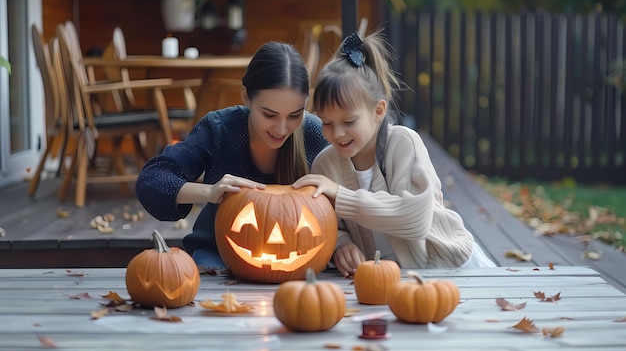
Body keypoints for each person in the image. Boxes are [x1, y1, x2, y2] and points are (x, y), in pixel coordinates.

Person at [293, 30, 496, 277]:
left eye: (349, 122)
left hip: (449, 268)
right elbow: (329, 223)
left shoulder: (403, 144)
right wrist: (341, 244)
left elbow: (416, 218)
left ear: (378, 111)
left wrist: (341, 196)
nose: (337, 134)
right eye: (326, 122)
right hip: (387, 278)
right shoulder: (326, 165)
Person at [136, 41, 328, 270]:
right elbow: (152, 180)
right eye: (269, 115)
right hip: (218, 254)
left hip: (299, 257)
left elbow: (352, 193)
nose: (282, 128)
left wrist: (344, 243)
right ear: (246, 96)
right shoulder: (220, 129)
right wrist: (210, 191)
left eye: (295, 115)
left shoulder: (316, 132)